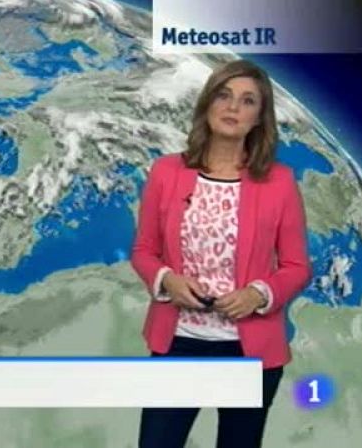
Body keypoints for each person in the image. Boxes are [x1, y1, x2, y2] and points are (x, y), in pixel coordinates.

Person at [130, 59, 313, 448]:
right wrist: (167, 280)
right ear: (208, 104)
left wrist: (258, 294)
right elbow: (144, 251)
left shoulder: (279, 182)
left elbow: (297, 267)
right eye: (224, 95)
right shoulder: (166, 172)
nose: (233, 107)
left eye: (248, 101)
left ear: (259, 119)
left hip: (250, 354)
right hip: (180, 343)